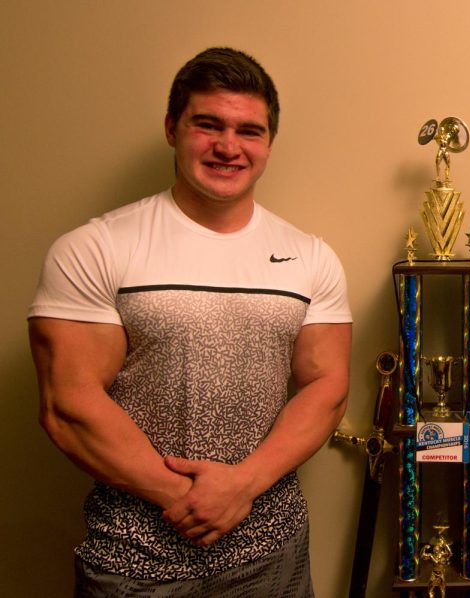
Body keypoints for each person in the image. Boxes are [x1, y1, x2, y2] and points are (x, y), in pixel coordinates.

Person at [27, 47, 351, 597]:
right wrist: (185, 497)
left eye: (250, 131)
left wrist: (242, 486)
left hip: (272, 556)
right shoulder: (95, 248)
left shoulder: (310, 257)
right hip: (132, 561)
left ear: (269, 142)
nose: (229, 146)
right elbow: (69, 403)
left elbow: (327, 386)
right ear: (172, 128)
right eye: (208, 125)